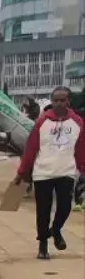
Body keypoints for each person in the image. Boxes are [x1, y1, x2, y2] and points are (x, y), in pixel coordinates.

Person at [16, 86, 85, 259]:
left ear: (68, 101)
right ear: (51, 101)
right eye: (56, 100)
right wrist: (22, 171)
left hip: (66, 171)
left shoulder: (77, 122)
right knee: (43, 210)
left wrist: (82, 168)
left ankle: (55, 229)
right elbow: (31, 148)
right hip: (43, 173)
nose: (59, 103)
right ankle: (43, 246)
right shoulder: (42, 122)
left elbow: (81, 148)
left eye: (63, 100)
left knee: (65, 206)